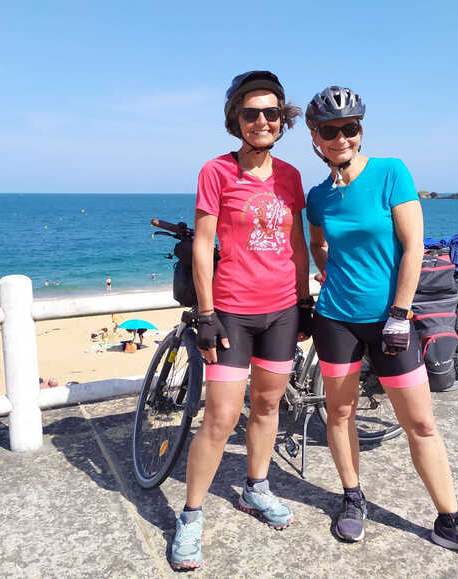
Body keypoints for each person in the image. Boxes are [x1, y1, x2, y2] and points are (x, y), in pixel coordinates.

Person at [304, 86, 458, 565]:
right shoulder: (317, 197)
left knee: (420, 423)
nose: (340, 138)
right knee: (340, 414)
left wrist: (399, 312)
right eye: (329, 131)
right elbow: (317, 244)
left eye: (348, 128)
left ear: (361, 130)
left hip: (392, 320)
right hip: (335, 319)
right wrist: (327, 270)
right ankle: (353, 496)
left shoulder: (391, 172)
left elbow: (412, 247)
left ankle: (450, 520)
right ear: (315, 137)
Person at [169, 70, 311, 571]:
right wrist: (206, 314)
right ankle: (190, 515)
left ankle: (256, 487)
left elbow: (297, 245)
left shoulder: (291, 176)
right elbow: (204, 247)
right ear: (236, 119)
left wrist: (303, 300)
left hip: (280, 313)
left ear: (282, 119)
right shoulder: (216, 171)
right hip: (231, 311)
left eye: (271, 112)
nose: (262, 121)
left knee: (268, 407)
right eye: (251, 113)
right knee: (220, 418)